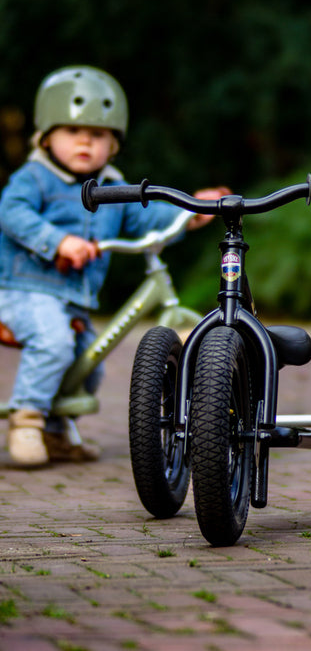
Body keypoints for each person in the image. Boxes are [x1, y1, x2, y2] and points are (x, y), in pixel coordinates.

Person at [0, 65, 227, 467]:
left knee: (88, 365)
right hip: (26, 291)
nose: (85, 141)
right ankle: (26, 420)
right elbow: (12, 213)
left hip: (73, 299)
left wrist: (191, 210)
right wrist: (59, 242)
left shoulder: (112, 187)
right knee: (53, 344)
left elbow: (145, 219)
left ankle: (56, 434)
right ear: (46, 136)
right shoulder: (34, 178)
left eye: (99, 134)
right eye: (72, 131)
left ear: (114, 144)